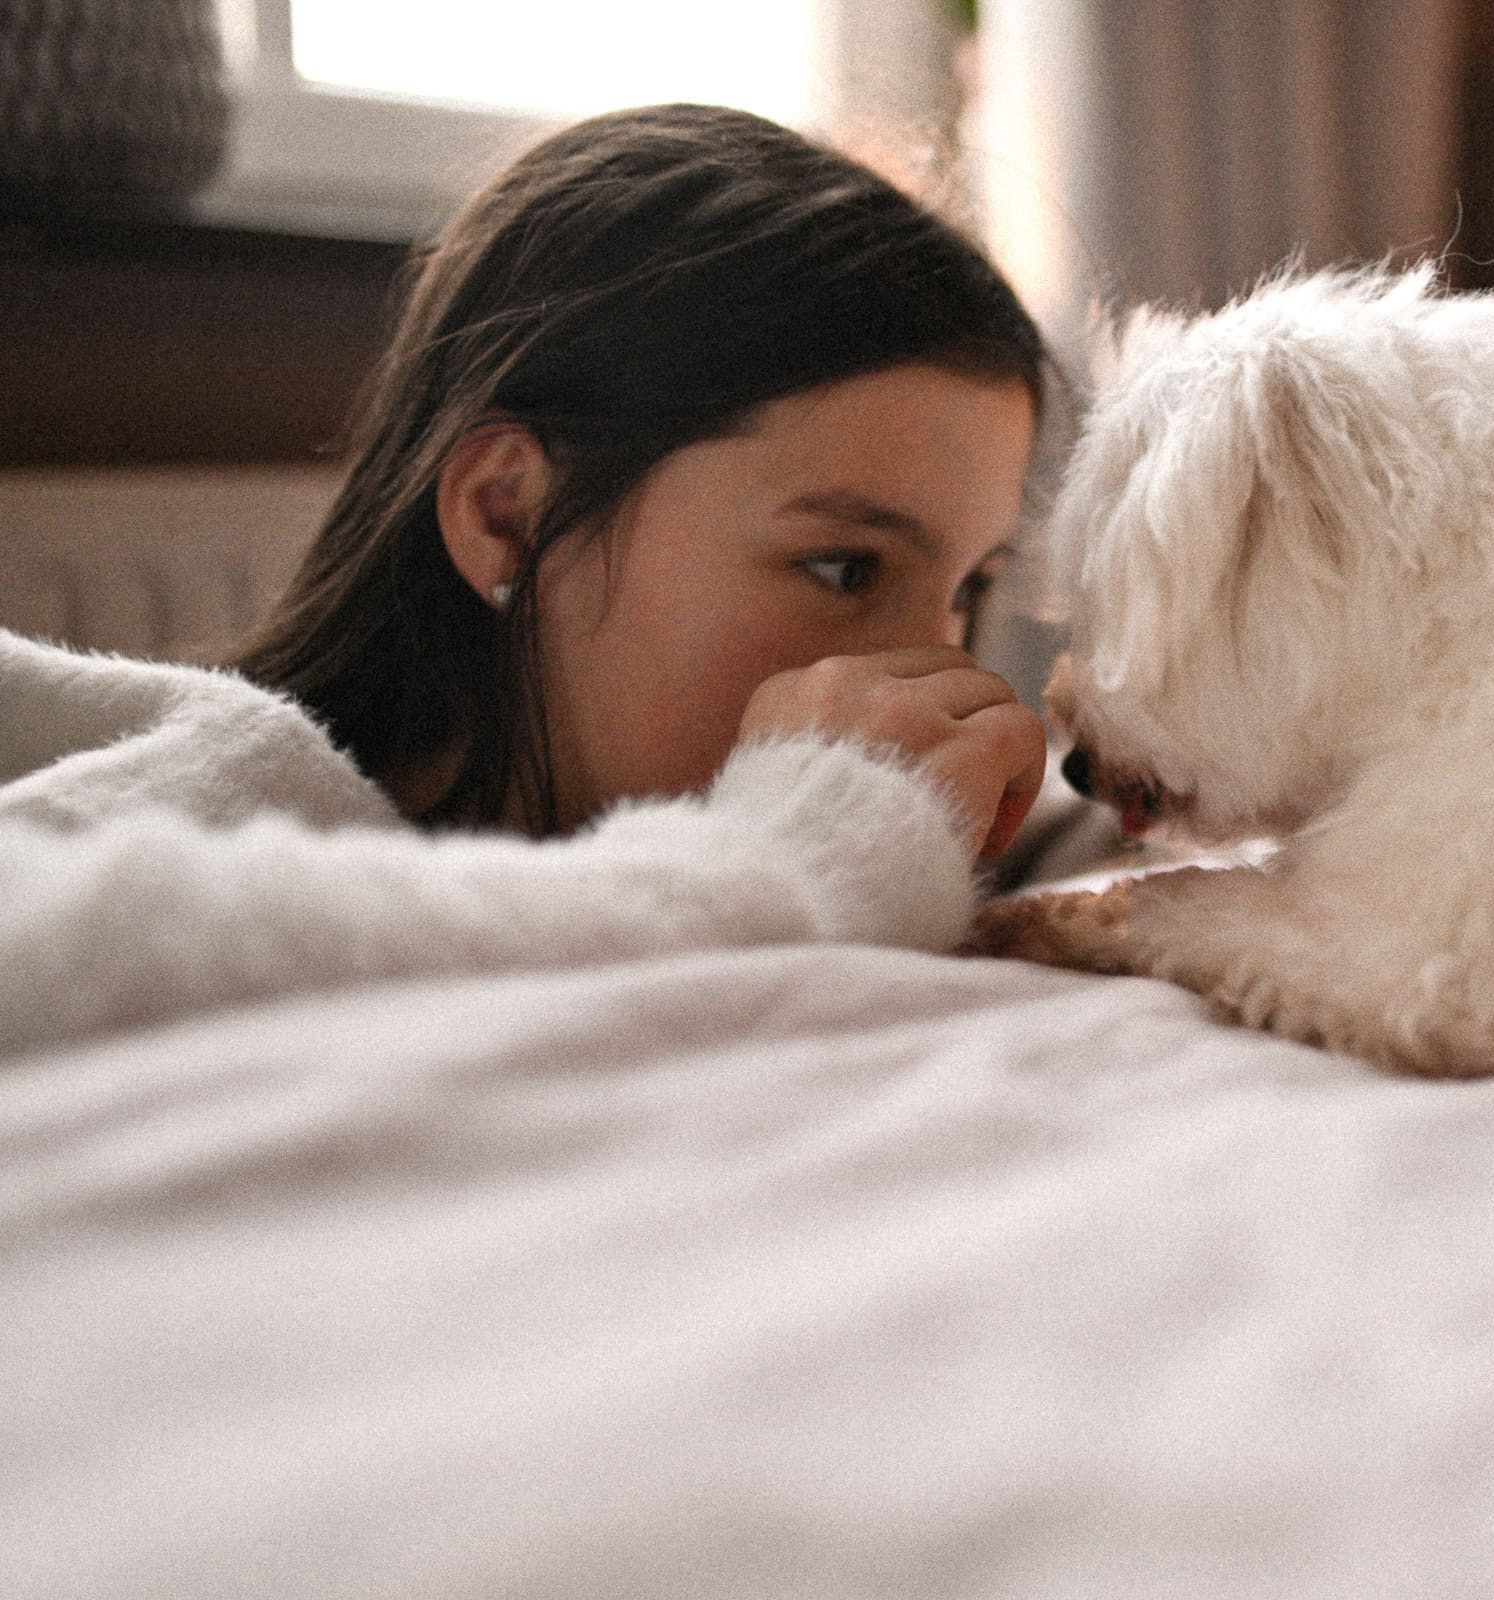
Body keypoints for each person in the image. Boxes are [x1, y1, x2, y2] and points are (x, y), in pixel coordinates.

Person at [0, 103, 1081, 1057]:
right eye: (845, 567)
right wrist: (801, 852)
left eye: (968, 589)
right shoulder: (231, 785)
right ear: (507, 517)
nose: (934, 661)